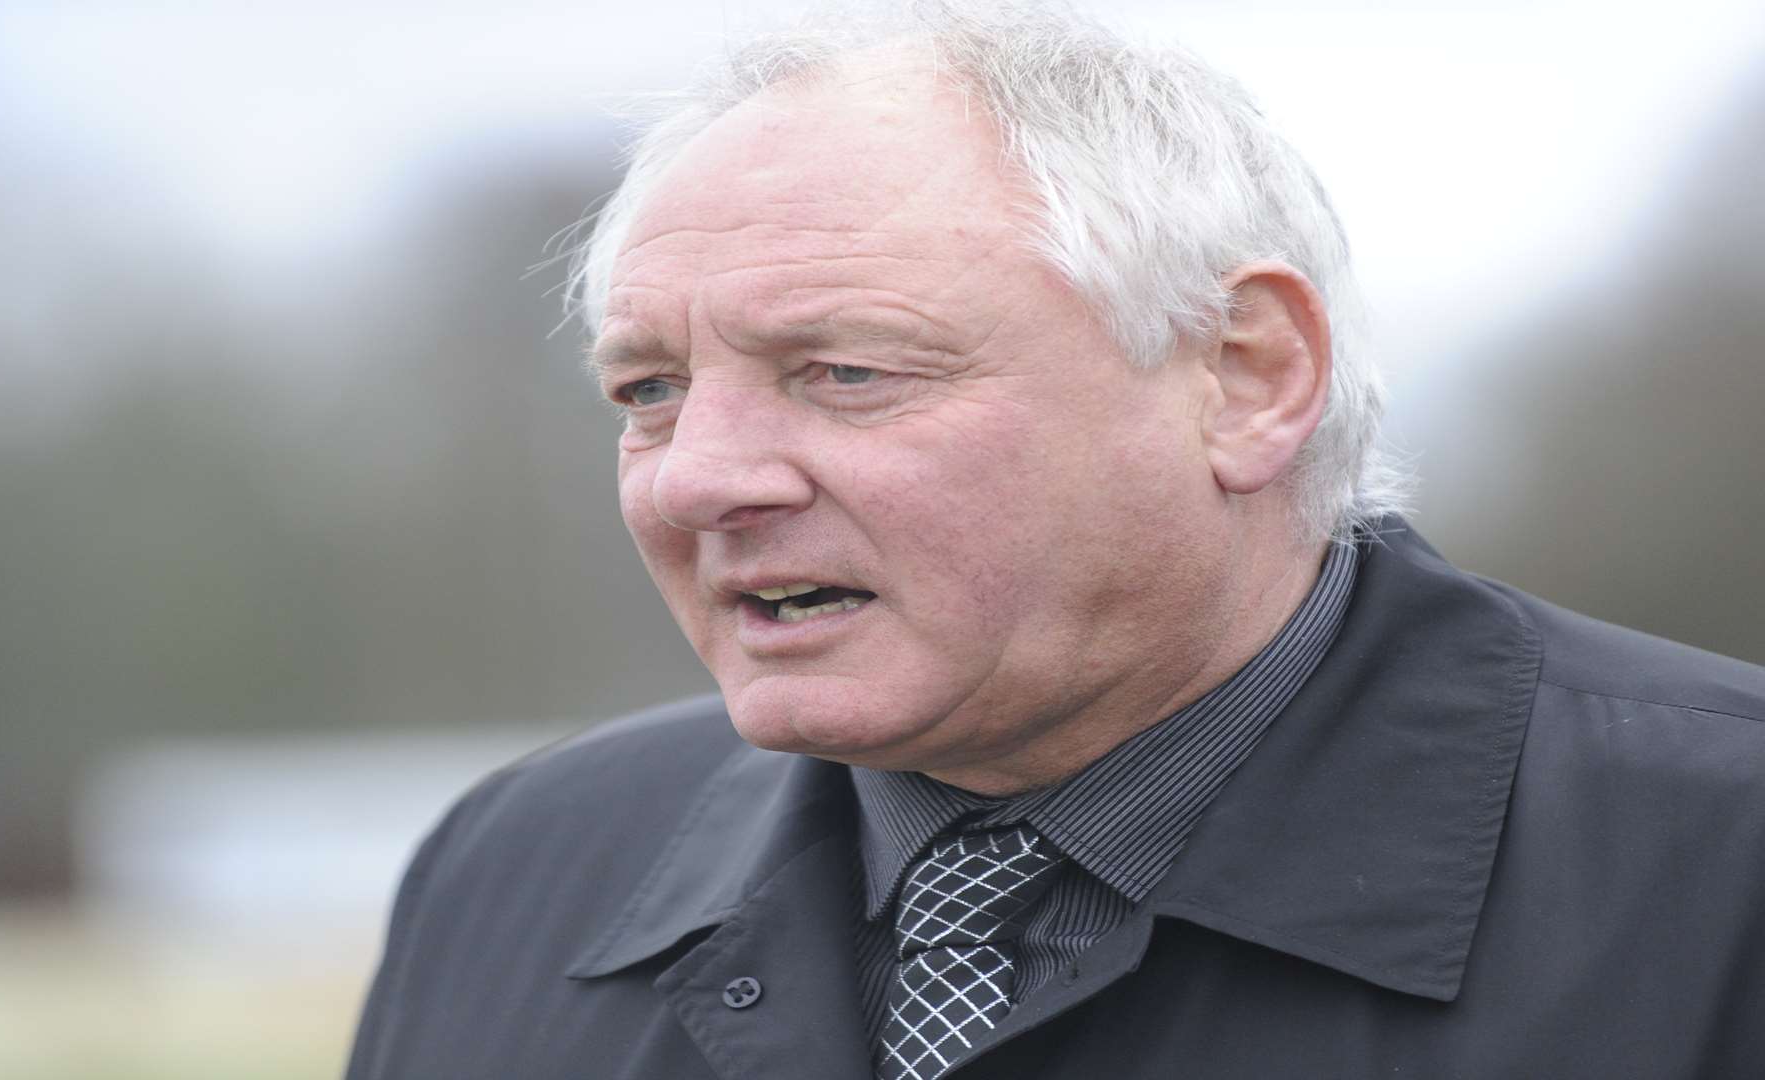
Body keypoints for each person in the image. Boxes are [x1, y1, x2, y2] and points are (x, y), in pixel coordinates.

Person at [346, 3, 1765, 1077]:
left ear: (1246, 376)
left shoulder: (1716, 864)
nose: (697, 480)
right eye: (648, 391)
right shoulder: (516, 869)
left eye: (848, 370)